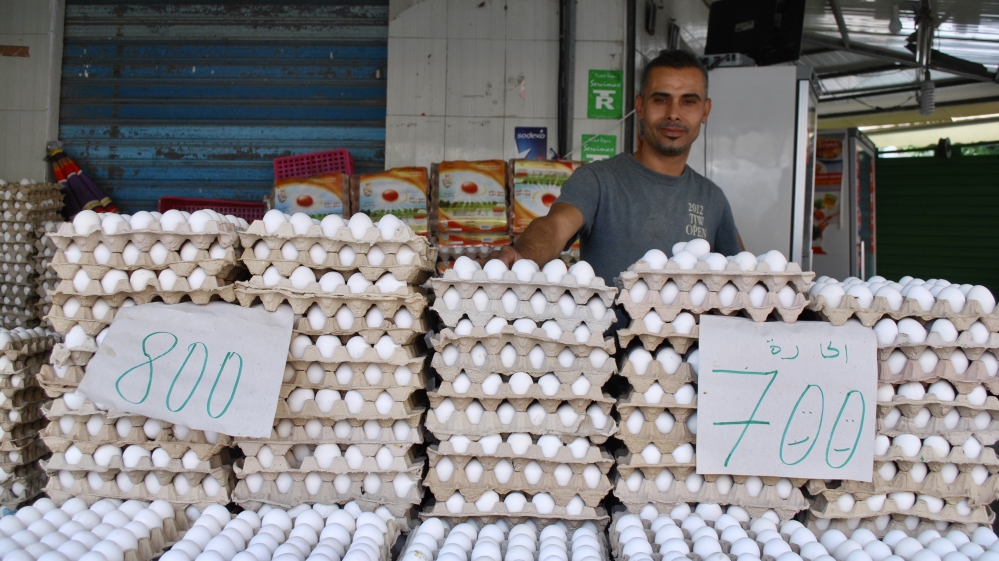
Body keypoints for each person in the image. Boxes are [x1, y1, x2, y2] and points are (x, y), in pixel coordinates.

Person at [491, 50, 742, 285]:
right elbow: (554, 227)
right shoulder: (598, 180)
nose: (673, 114)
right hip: (610, 333)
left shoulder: (713, 199)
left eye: (688, 101)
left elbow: (742, 274)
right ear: (641, 107)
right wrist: (522, 255)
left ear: (705, 110)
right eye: (661, 99)